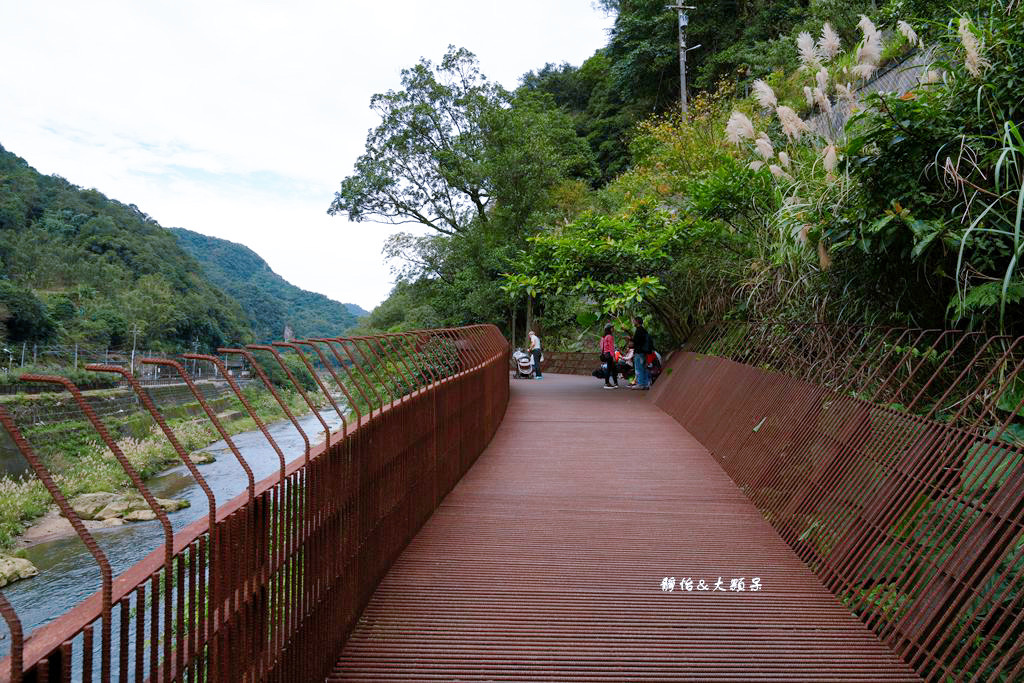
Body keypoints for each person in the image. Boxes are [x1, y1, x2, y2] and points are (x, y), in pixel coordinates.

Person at [631, 316, 651, 390]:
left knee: (639, 368)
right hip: (643, 352)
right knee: (643, 368)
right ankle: (645, 384)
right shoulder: (643, 330)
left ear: (637, 321)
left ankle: (640, 384)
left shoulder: (639, 330)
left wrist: (631, 339)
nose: (633, 322)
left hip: (639, 352)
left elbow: (637, 341)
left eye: (634, 321)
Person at [600, 323, 618, 389]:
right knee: (609, 369)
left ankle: (615, 383)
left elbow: (601, 347)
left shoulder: (603, 337)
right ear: (609, 329)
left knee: (613, 368)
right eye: (612, 328)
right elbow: (611, 347)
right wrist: (613, 356)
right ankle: (607, 383)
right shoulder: (610, 336)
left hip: (605, 354)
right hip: (609, 354)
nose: (613, 329)